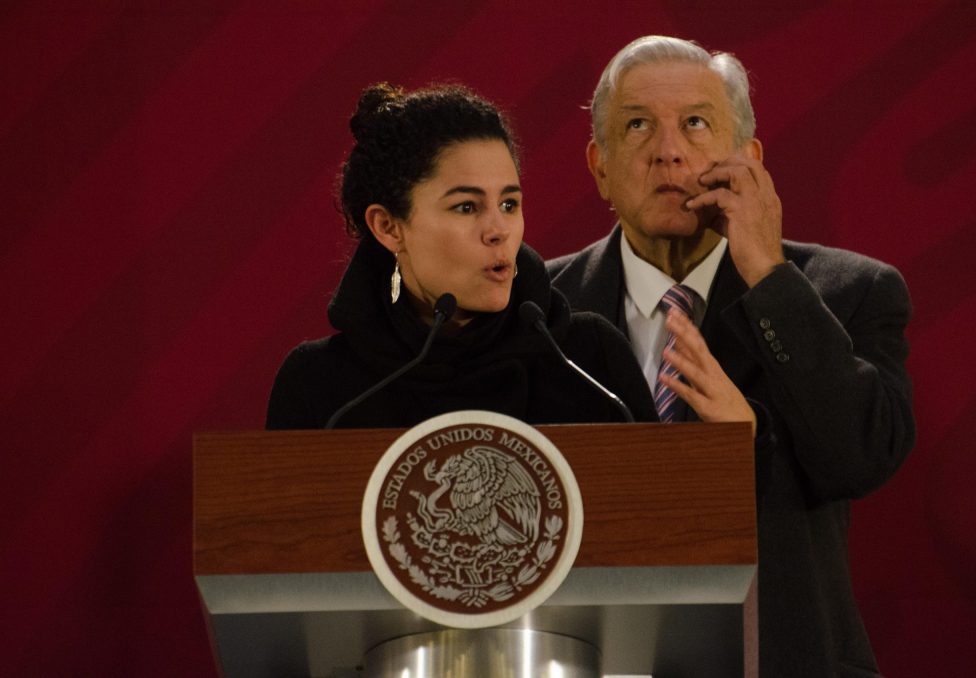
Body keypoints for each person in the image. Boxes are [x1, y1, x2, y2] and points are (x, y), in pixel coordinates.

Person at [547, 36, 915, 677]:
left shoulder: (849, 292)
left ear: (748, 157)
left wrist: (768, 273)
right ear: (599, 165)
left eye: (695, 123)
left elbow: (861, 456)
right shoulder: (539, 310)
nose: (668, 149)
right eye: (637, 126)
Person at [267, 82, 657, 430]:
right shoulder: (321, 387)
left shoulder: (589, 362)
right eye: (467, 207)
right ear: (388, 227)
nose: (498, 230)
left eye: (508, 204)